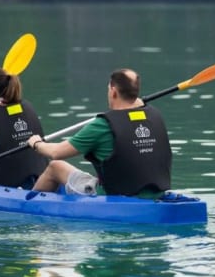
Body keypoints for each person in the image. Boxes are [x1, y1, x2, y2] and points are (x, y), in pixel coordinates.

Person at [27, 68, 171, 198]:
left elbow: (56, 152)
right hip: (157, 194)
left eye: (108, 88)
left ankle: (27, 205)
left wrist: (36, 143)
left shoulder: (103, 126)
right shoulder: (154, 117)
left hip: (112, 195)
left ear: (113, 91)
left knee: (55, 166)